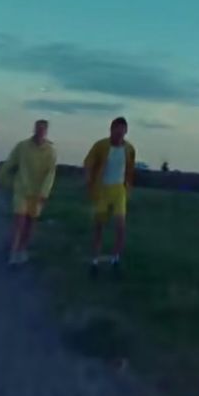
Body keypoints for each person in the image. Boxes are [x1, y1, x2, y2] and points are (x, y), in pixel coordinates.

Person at [0, 119, 57, 266]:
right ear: (34, 129)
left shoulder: (50, 151)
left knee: (30, 223)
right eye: (38, 128)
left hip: (38, 193)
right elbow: (10, 162)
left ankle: (22, 249)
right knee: (19, 222)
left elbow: (51, 174)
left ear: (46, 131)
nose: (40, 131)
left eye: (43, 129)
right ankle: (14, 252)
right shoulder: (22, 147)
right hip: (22, 189)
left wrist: (44, 193)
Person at [82, 116, 136, 278]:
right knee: (99, 226)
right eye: (116, 130)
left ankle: (115, 259)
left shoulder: (129, 149)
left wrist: (129, 187)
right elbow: (88, 162)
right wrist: (88, 180)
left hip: (119, 189)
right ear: (111, 130)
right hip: (102, 188)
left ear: (126, 131)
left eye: (122, 131)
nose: (119, 134)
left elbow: (130, 169)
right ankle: (95, 261)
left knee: (121, 226)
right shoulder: (101, 146)